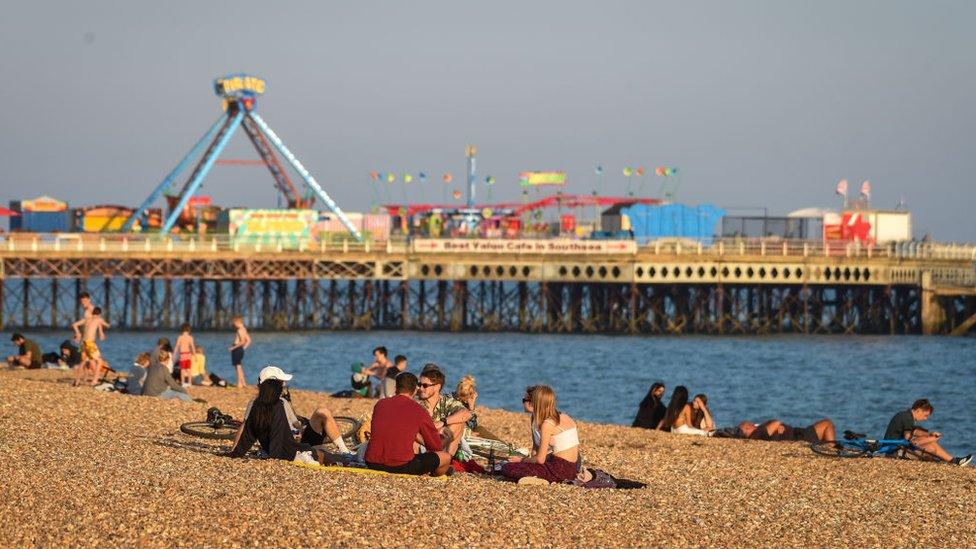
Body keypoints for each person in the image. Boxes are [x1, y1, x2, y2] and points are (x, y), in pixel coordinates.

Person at [229, 366, 352, 463]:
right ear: (273, 385)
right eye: (281, 382)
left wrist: (236, 453)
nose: (284, 385)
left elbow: (249, 435)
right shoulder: (276, 406)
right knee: (328, 456)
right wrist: (275, 459)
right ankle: (348, 459)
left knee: (322, 419)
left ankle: (345, 453)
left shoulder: (261, 405)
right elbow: (268, 433)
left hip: (292, 441)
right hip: (292, 447)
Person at [364, 372, 451, 476]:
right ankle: (434, 477)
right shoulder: (418, 410)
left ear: (396, 387)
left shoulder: (380, 404)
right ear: (415, 389)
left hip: (371, 462)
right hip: (400, 466)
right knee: (445, 457)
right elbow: (435, 446)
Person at [501, 385, 581, 484]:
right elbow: (536, 448)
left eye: (524, 399)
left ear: (533, 403)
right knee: (511, 466)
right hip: (573, 464)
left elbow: (540, 459)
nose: (522, 402)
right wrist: (530, 463)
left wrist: (522, 460)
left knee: (507, 468)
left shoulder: (547, 424)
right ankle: (535, 476)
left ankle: (542, 480)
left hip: (560, 469)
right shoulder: (538, 418)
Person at [884, 399, 972, 466]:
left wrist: (929, 435)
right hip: (895, 452)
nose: (925, 418)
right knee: (931, 446)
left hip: (897, 449)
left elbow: (914, 431)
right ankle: (954, 461)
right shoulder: (907, 418)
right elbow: (908, 439)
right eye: (925, 415)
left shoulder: (905, 415)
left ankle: (953, 461)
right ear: (918, 410)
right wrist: (929, 438)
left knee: (931, 443)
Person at [416, 363, 473, 456]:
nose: (421, 388)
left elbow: (466, 414)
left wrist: (443, 422)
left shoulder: (446, 401)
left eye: (425, 385)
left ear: (437, 386)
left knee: (458, 423)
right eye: (419, 384)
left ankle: (444, 459)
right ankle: (436, 456)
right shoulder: (415, 402)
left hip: (439, 443)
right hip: (420, 445)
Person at [71, 306, 110, 385]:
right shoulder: (99, 319)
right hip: (90, 343)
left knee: (83, 362)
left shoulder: (87, 319)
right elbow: (107, 325)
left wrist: (78, 333)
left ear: (93, 313)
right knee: (99, 361)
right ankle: (95, 381)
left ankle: (77, 381)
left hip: (83, 343)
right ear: (99, 314)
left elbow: (74, 325)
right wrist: (102, 325)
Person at [739, 418, 836, 443]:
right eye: (752, 424)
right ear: (748, 427)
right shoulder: (758, 432)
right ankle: (830, 447)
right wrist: (777, 425)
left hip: (797, 435)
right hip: (798, 437)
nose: (755, 425)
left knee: (823, 429)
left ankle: (829, 446)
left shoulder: (757, 436)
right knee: (827, 423)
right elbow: (775, 422)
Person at [229, 316, 251, 388]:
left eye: (234, 323)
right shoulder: (244, 329)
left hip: (237, 349)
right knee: (239, 366)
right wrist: (243, 348)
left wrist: (233, 348)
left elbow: (242, 341)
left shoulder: (239, 330)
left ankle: (239, 383)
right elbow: (249, 340)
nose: (234, 325)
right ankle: (243, 383)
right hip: (240, 349)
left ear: (238, 322)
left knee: (238, 367)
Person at [174, 323, 196, 387]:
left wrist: (174, 354)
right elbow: (192, 346)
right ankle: (190, 383)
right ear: (189, 330)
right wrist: (195, 355)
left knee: (182, 370)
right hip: (188, 354)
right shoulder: (190, 337)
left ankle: (183, 383)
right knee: (189, 369)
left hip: (182, 354)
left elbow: (177, 346)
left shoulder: (180, 337)